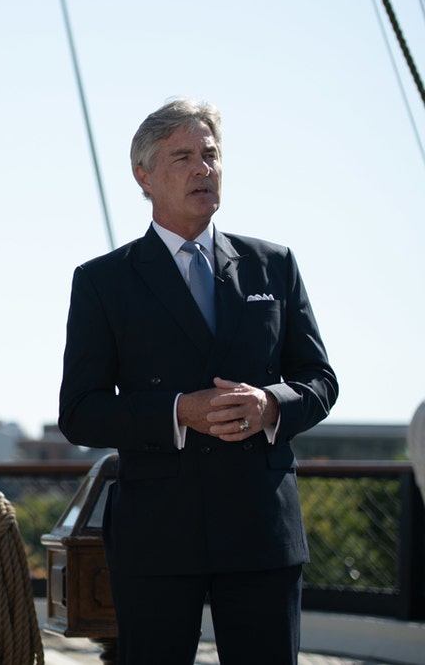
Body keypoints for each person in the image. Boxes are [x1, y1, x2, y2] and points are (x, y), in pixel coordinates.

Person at [58, 98, 338, 664]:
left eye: (210, 154)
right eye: (183, 156)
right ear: (144, 175)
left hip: (262, 531)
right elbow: (80, 411)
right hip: (159, 535)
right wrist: (178, 410)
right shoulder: (102, 282)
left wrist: (271, 405)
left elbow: (319, 380)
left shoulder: (273, 265)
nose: (203, 169)